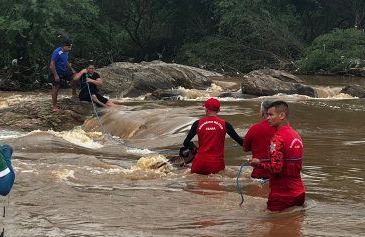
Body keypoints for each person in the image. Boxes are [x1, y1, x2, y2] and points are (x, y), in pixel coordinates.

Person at [250, 100, 305, 211]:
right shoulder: (296, 135)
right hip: (299, 192)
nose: (268, 118)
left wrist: (258, 163)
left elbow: (276, 168)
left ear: (282, 115)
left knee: (274, 225)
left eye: (271, 115)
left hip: (282, 195)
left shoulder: (277, 138)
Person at [183, 98, 243, 175]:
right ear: (218, 110)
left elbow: (186, 143)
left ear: (206, 109)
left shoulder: (197, 123)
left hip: (199, 164)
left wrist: (195, 148)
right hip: (216, 165)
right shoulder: (225, 124)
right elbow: (241, 142)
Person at [243, 100, 276, 179]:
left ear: (262, 112)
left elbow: (245, 148)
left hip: (259, 174)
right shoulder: (283, 129)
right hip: (278, 175)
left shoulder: (254, 128)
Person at [50, 39, 77, 112]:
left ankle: (74, 94)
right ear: (64, 46)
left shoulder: (66, 51)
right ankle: (54, 107)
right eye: (68, 47)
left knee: (74, 77)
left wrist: (71, 69)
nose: (70, 49)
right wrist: (56, 75)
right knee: (56, 88)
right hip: (56, 71)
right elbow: (52, 65)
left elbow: (65, 61)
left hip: (64, 70)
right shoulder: (57, 52)